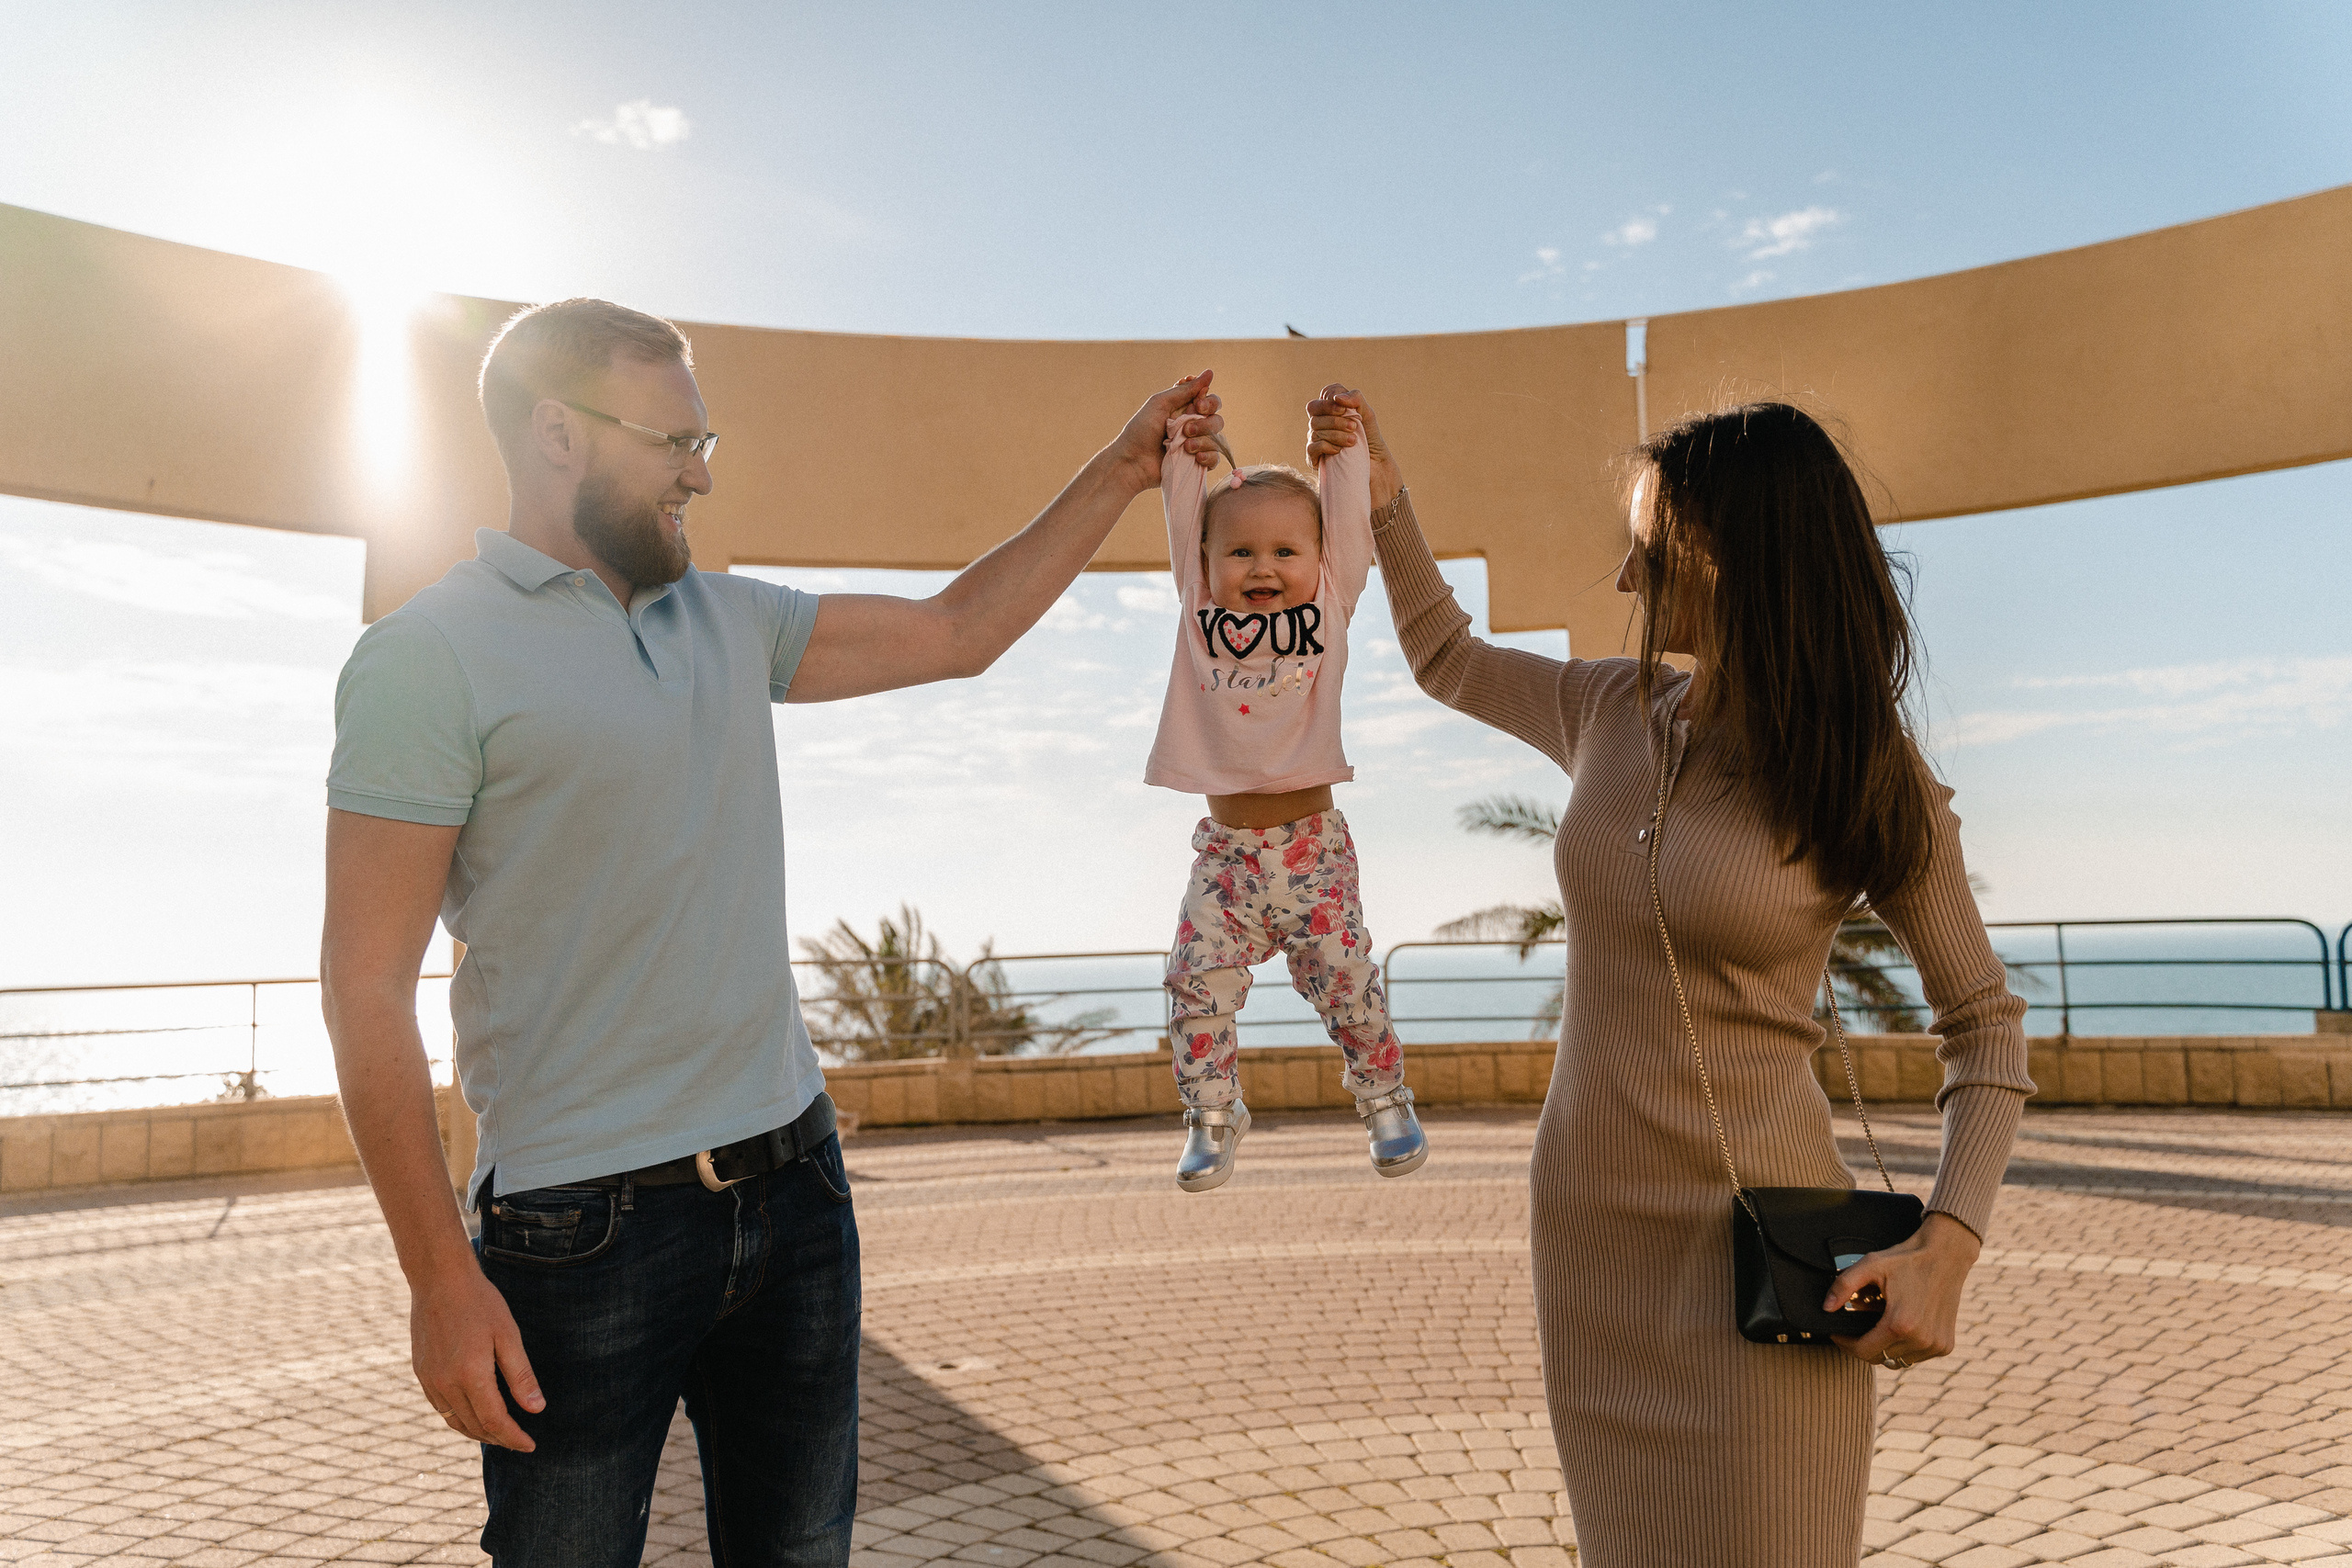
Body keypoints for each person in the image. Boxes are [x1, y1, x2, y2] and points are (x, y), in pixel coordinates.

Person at [319, 297, 1224, 1568]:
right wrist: (437, 1278)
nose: (700, 470)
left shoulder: (729, 622)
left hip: (796, 1192)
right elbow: (364, 986)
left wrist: (1123, 470)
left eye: (708, 440)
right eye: (675, 439)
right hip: (579, 1238)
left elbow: (958, 632)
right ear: (558, 436)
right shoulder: (426, 658)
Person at [1306, 388, 2031, 1568]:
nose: (1623, 586)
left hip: (1759, 1264)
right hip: (1591, 1242)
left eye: (1646, 552)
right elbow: (1444, 655)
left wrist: (1948, 1243)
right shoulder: (1607, 709)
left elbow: (1986, 1032)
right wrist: (1378, 498)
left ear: (1731, 560)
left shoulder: (1863, 776)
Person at [1147, 413, 1426, 1190]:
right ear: (1205, 562)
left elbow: (1347, 527)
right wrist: (1184, 451)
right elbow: (1182, 514)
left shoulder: (1331, 605)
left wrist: (1342, 453)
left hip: (1312, 851)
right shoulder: (1200, 611)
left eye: (1283, 551)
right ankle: (1212, 1113)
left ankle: (1383, 1095)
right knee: (1193, 982)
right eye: (1239, 551)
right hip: (1227, 860)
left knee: (1347, 981)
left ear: (1319, 561)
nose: (1261, 566)